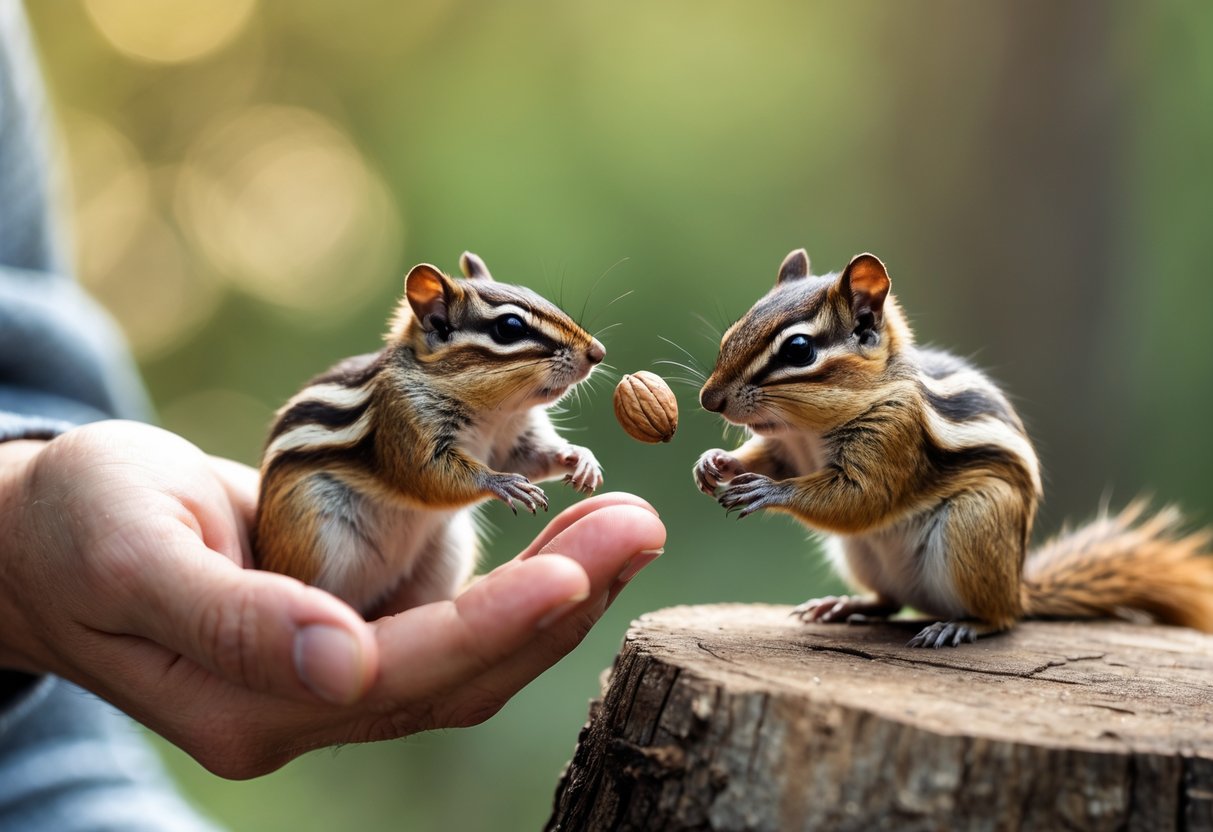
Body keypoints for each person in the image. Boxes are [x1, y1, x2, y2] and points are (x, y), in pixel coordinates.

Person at [0, 5, 666, 829]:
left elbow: (27, 374)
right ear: (435, 327)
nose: (583, 357)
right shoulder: (407, 399)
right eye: (508, 337)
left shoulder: (485, 402)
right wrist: (18, 543)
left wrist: (552, 460)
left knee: (457, 537)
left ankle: (395, 618)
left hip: (53, 774)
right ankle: (321, 613)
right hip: (334, 509)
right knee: (422, 516)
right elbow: (423, 473)